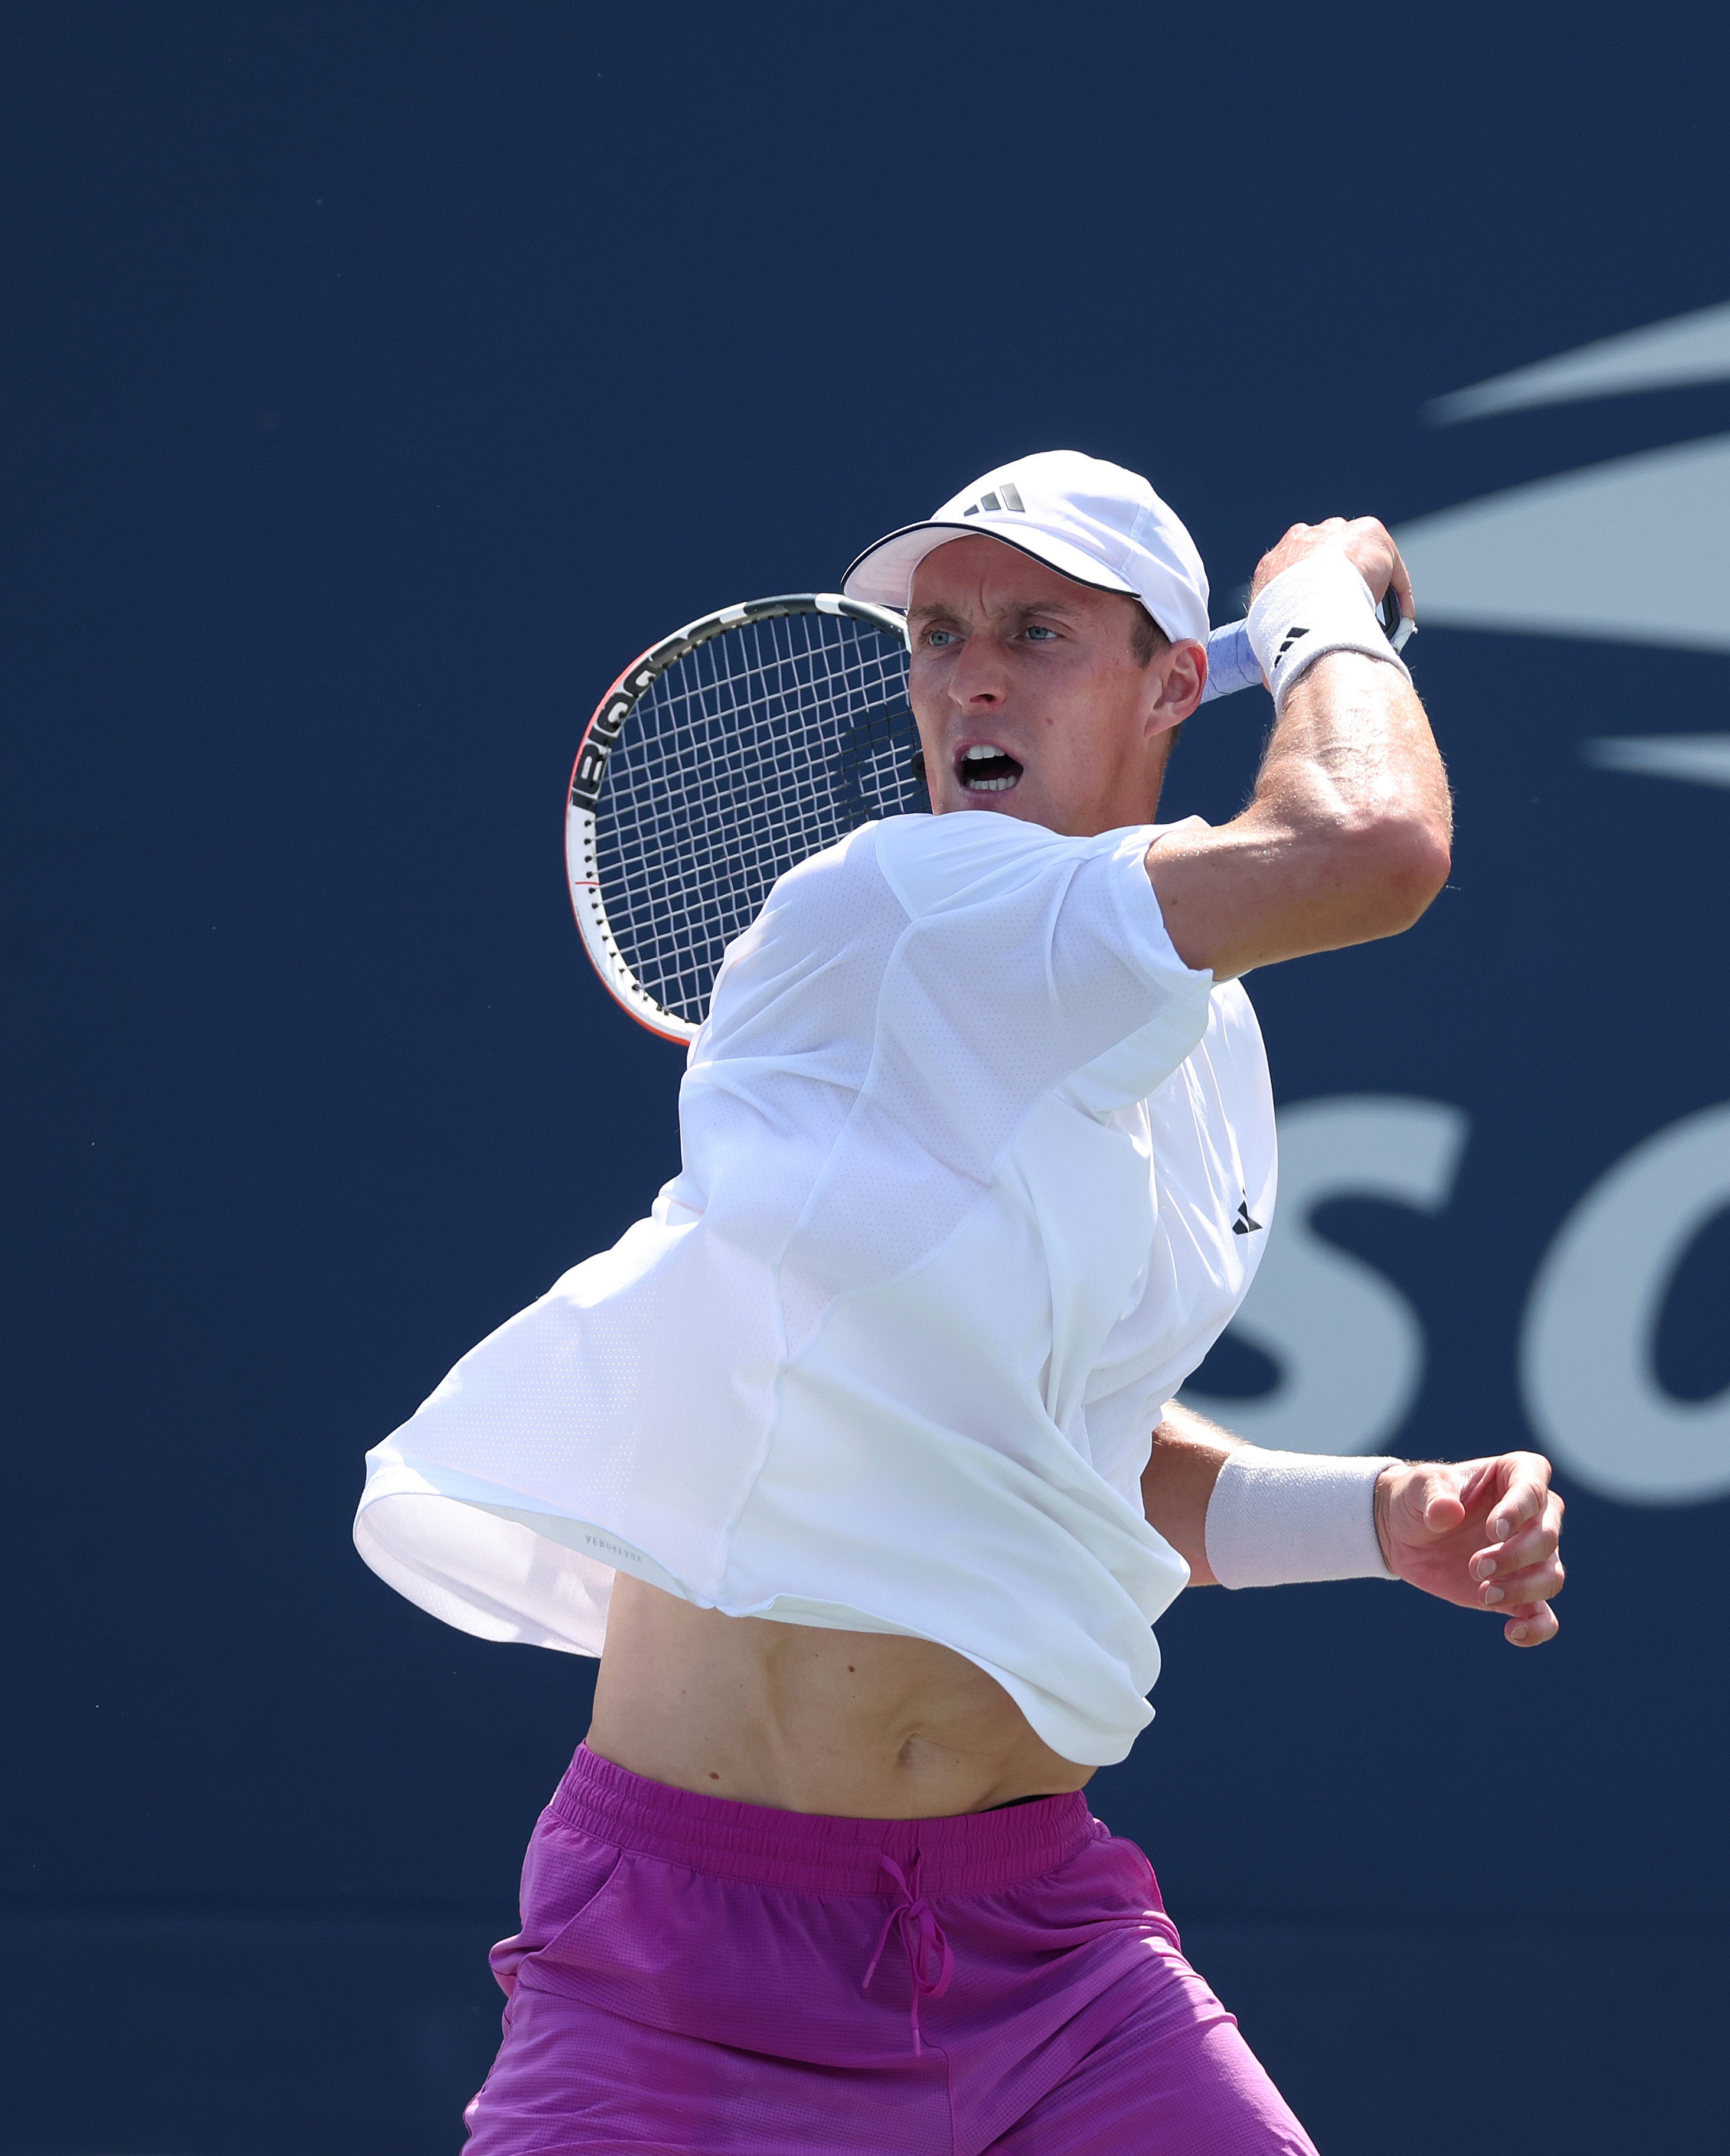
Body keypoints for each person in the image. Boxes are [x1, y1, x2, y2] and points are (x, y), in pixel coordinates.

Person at [352, 449, 1566, 2154]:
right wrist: (1318, 621)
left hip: (1039, 1941)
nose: (969, 673)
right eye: (938, 634)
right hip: (692, 1969)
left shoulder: (1199, 1040)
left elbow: (1063, 1445)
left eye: (1038, 629)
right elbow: (1366, 842)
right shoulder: (903, 903)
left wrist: (1381, 1518)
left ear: (1166, 684)